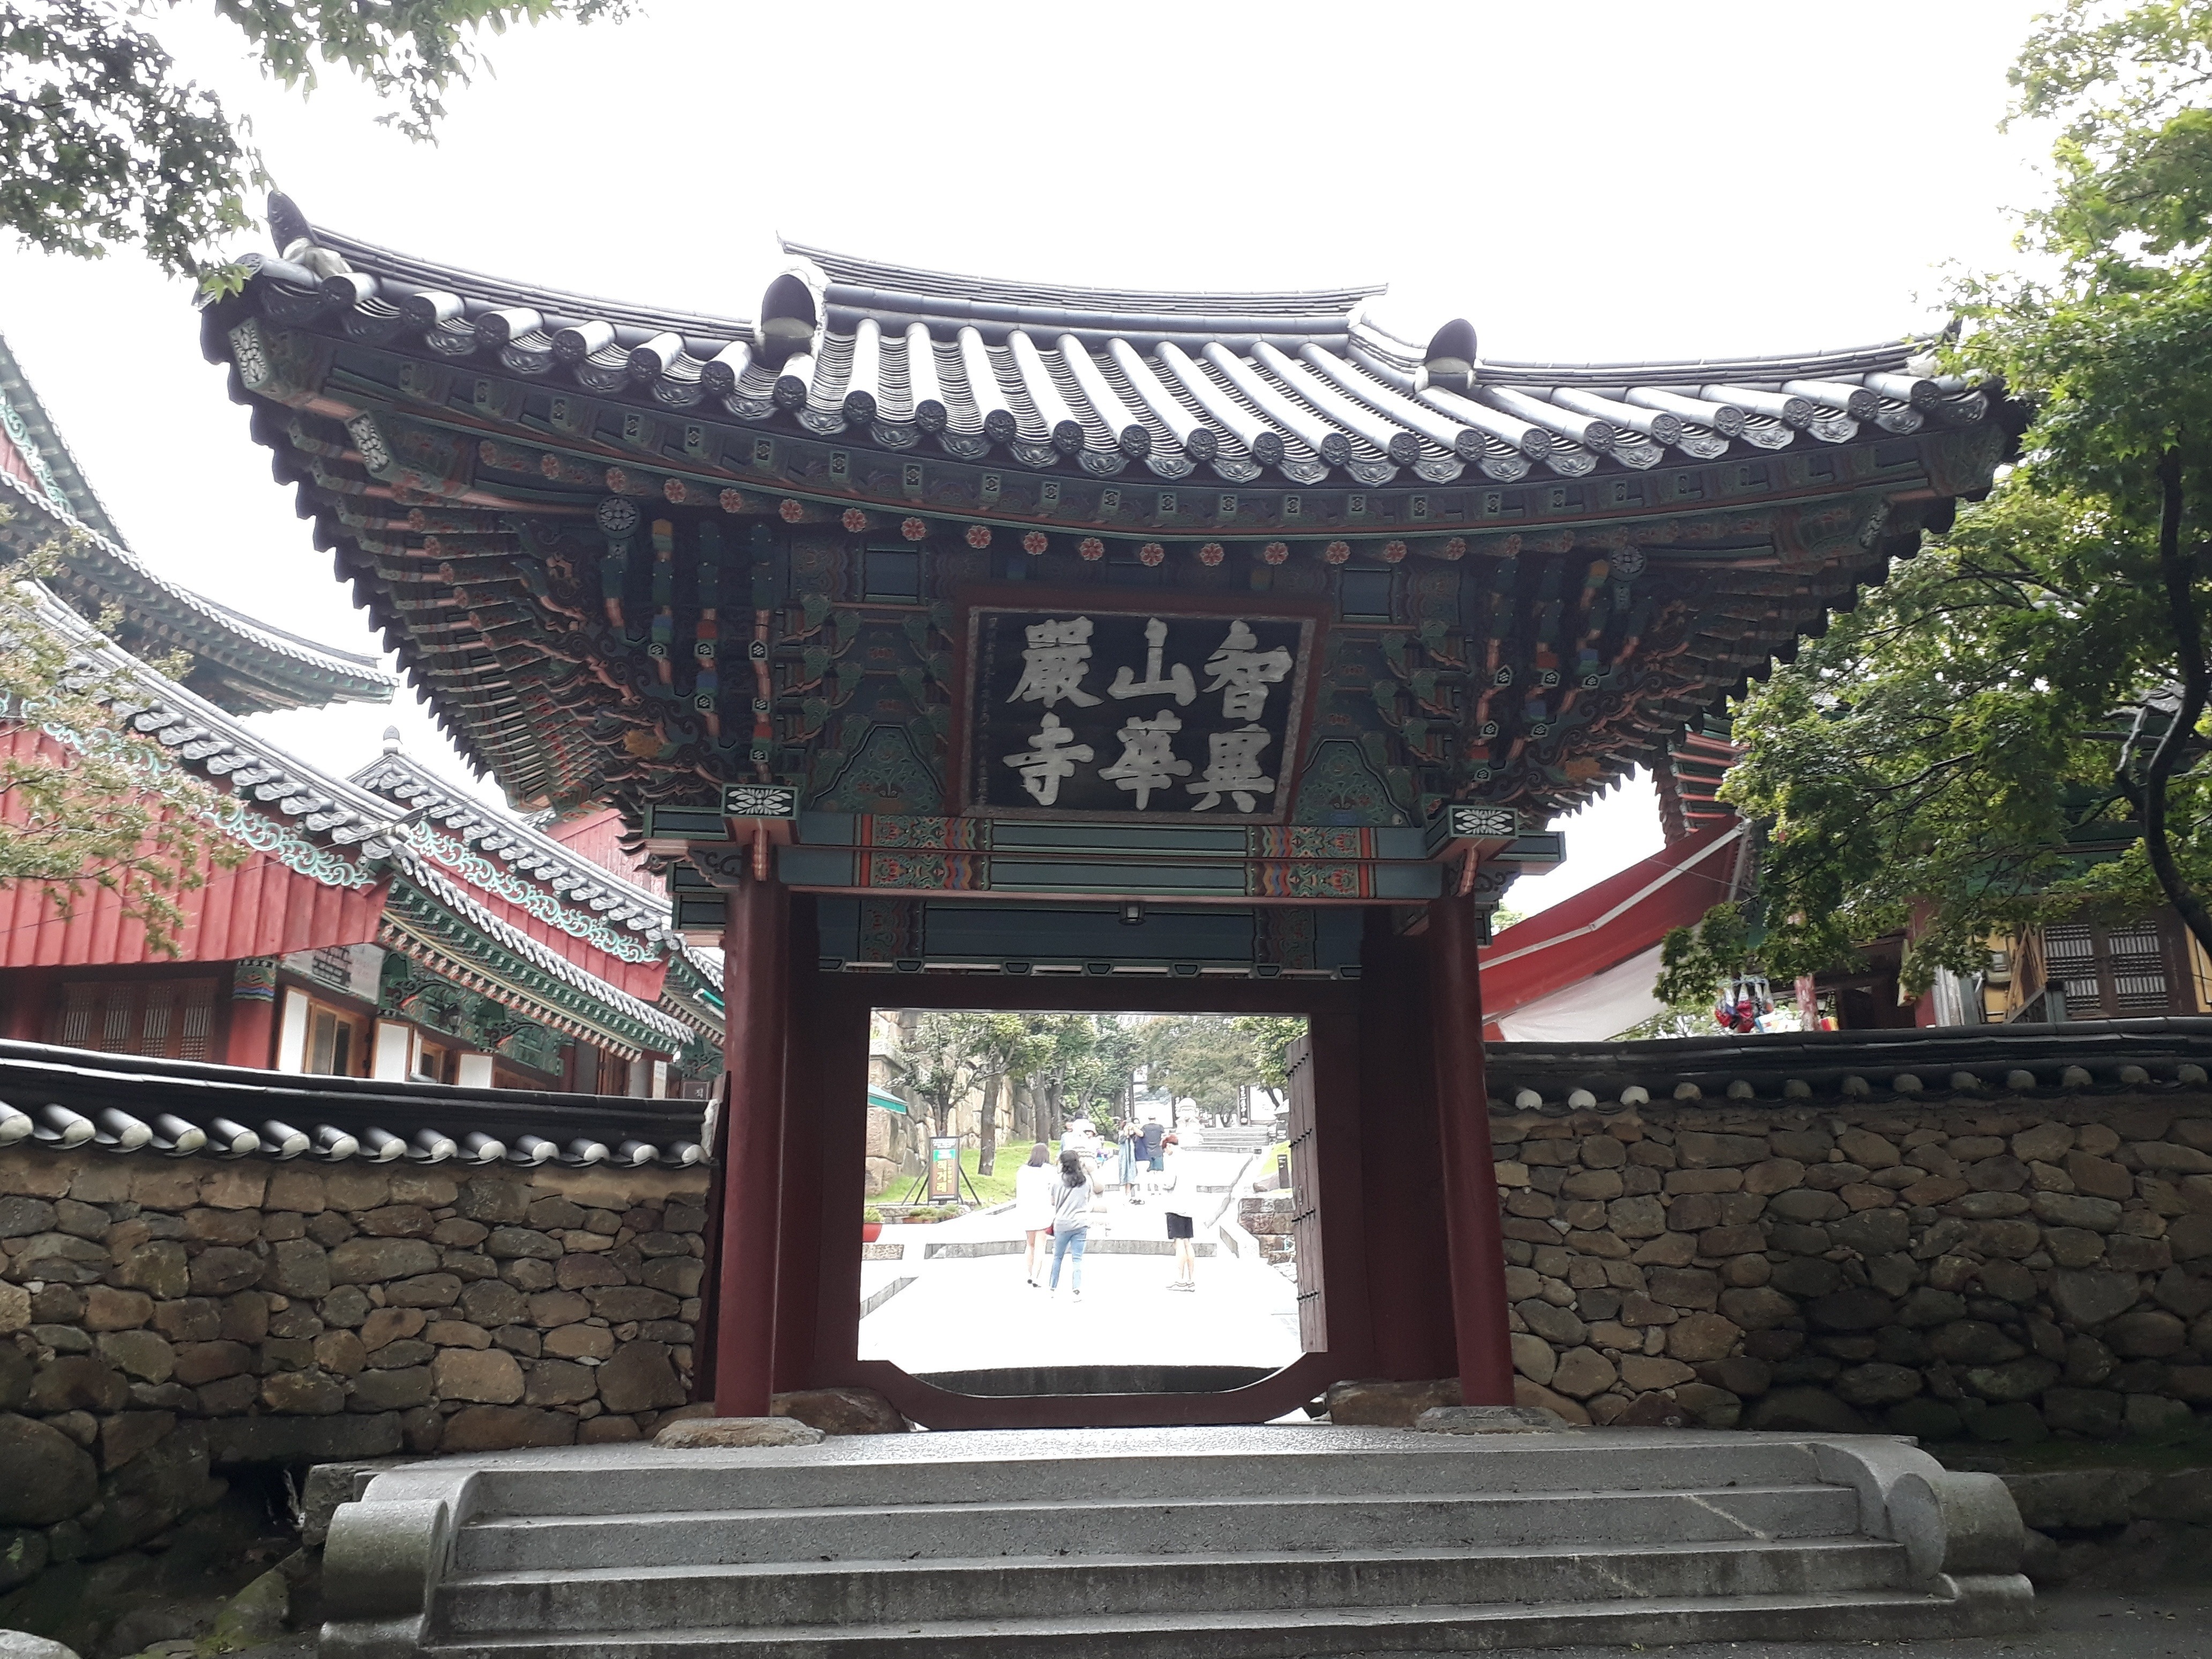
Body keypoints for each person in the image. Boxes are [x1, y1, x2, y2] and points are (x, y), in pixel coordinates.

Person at [1047, 1146, 1094, 1300]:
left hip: (1062, 1223)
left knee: (1058, 1257)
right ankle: (1077, 1290)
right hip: (1080, 1223)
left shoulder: (1057, 1182)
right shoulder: (1085, 1182)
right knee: (1077, 1258)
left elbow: (1053, 1202)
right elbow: (1088, 1198)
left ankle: (1052, 1289)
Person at [1014, 1141, 1055, 1288]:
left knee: (1030, 1244)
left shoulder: (1023, 1171)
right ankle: (1035, 1276)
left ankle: (1029, 1273)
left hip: (1026, 1211)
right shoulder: (1049, 1170)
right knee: (1040, 1245)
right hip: (1043, 1211)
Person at [1160, 1133, 1196, 1291]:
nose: (1164, 1153)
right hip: (1188, 1206)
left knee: (1179, 1242)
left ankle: (1179, 1280)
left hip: (1175, 1206)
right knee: (1188, 1242)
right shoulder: (1188, 1158)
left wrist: (1159, 1181)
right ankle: (1191, 1280)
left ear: (1168, 1146)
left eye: (1164, 1150)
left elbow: (1169, 1182)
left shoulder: (1172, 1159)